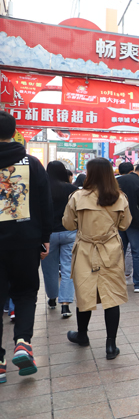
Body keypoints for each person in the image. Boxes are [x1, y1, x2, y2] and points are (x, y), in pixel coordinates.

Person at [0, 111, 52, 380]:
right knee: (25, 292)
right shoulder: (32, 164)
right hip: (26, 241)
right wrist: (44, 237)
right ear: (14, 131)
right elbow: (45, 204)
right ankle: (23, 343)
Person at [63, 157, 131, 360]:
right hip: (111, 250)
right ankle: (111, 345)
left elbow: (68, 224)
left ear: (90, 173)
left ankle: (82, 335)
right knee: (112, 297)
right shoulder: (119, 197)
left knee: (85, 294)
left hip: (85, 249)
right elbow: (124, 225)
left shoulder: (77, 196)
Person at [41, 161, 78, 319]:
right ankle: (65, 305)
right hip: (69, 232)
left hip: (48, 234)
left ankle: (52, 299)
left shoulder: (42, 188)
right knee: (68, 268)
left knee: (49, 269)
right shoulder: (72, 189)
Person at [117, 161, 139, 293]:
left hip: (119, 222)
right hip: (135, 223)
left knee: (120, 252)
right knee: (138, 253)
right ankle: (138, 284)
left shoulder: (118, 181)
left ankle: (117, 283)